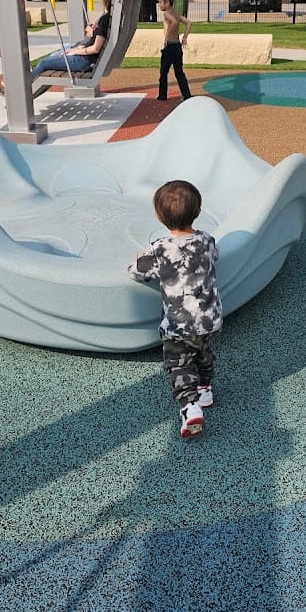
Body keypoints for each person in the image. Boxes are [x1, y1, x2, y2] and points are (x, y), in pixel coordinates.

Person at [128, 180, 222, 439]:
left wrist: (137, 261)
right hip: (208, 320)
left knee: (178, 364)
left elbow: (136, 272)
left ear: (158, 217)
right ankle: (205, 388)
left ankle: (190, 406)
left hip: (178, 325)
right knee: (203, 353)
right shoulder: (207, 240)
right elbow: (216, 256)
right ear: (199, 210)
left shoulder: (160, 249)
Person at [30, 0, 113, 80]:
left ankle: (26, 82)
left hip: (83, 61)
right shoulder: (107, 17)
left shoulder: (104, 20)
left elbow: (95, 49)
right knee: (54, 55)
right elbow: (96, 38)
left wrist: (75, 51)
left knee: (43, 63)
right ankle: (33, 74)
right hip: (84, 56)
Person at [156, 0, 192, 100]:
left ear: (167, 3)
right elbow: (189, 23)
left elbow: (174, 23)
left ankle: (162, 95)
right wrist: (184, 37)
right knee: (179, 72)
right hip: (177, 46)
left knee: (163, 72)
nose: (159, 5)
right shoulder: (176, 13)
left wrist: (167, 37)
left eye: (161, 2)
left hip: (170, 46)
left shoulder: (166, 13)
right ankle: (186, 95)